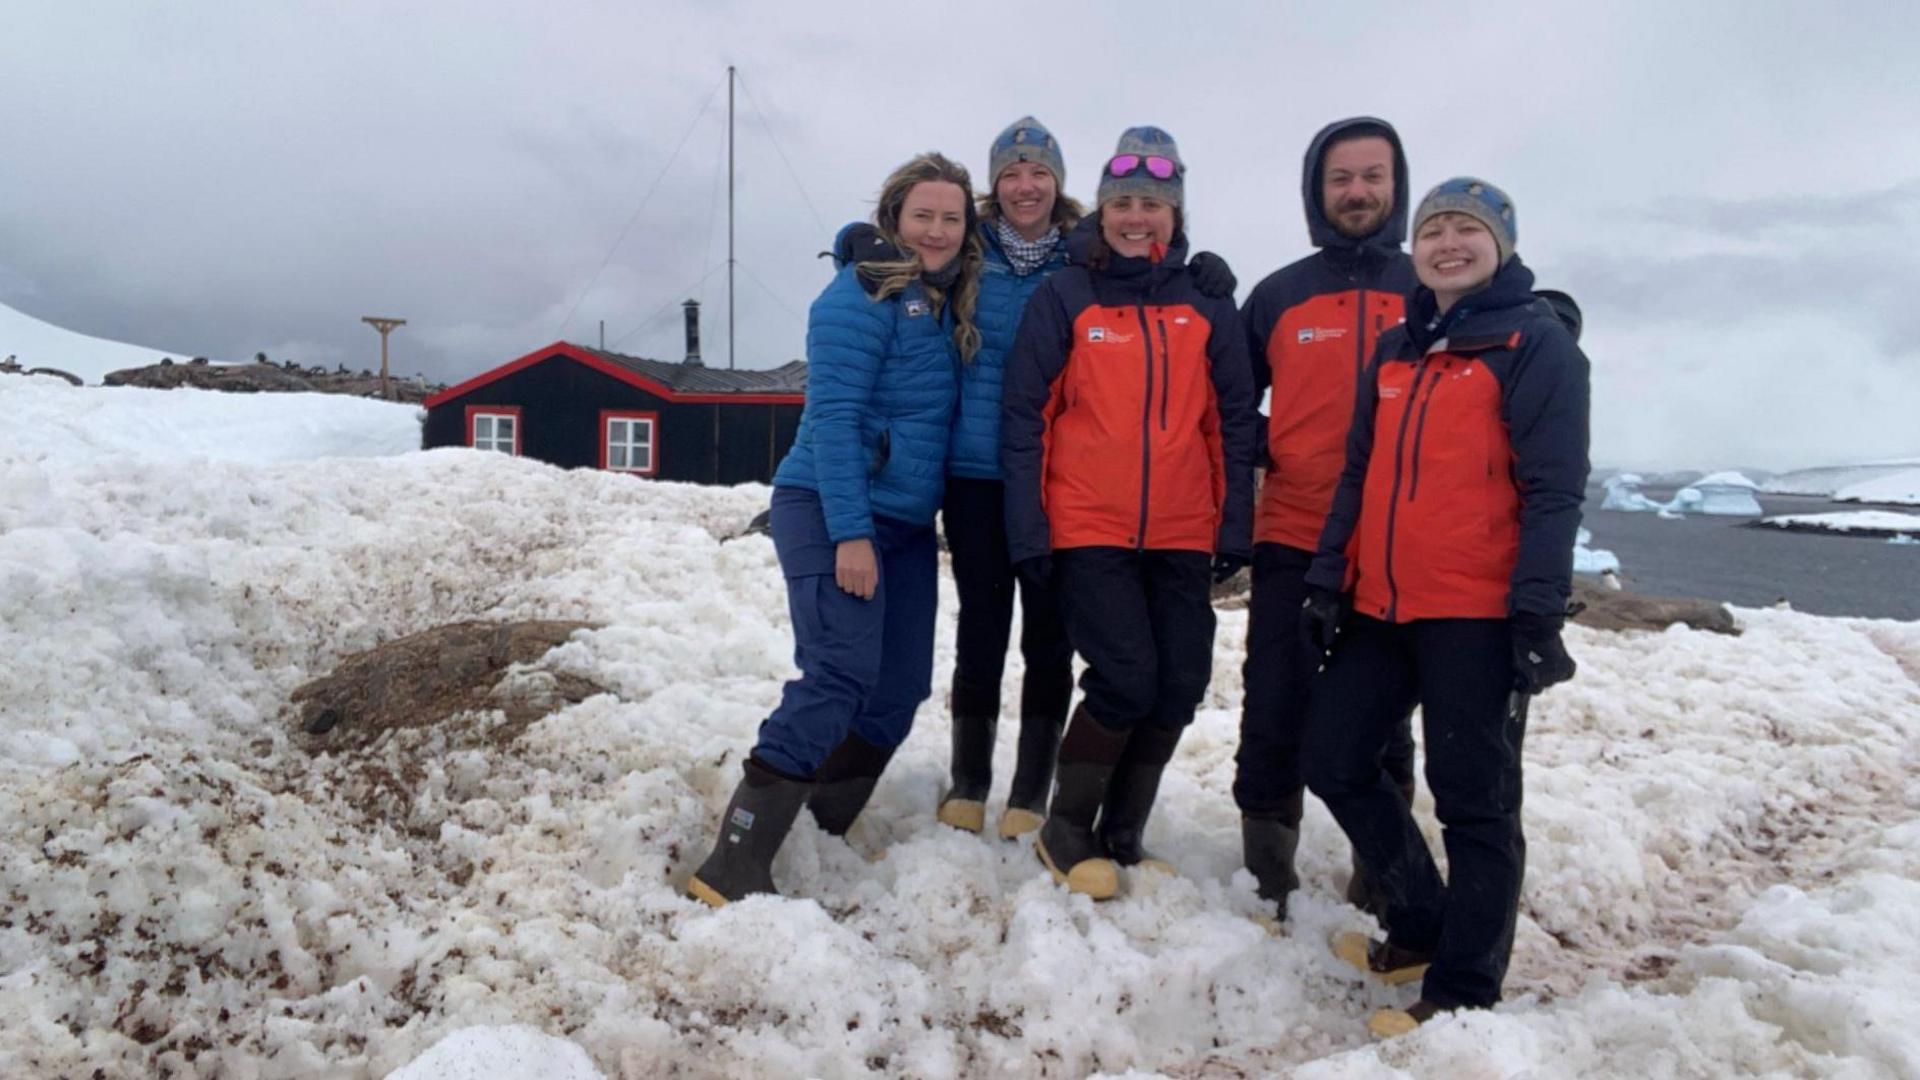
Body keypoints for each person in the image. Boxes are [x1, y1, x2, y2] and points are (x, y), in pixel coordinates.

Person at [1299, 178, 1590, 1034]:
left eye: (1468, 229)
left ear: (1501, 243)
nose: (1448, 243)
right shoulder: (1398, 348)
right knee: (1335, 757)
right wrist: (1326, 577)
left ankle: (1465, 989)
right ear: (1415, 248)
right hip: (1383, 607)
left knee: (1475, 798)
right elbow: (1360, 474)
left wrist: (1536, 613)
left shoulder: (1535, 345)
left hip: (1478, 611)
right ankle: (1421, 919)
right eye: (1434, 230)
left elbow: (1553, 491)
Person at [688, 152, 983, 906]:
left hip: (908, 525)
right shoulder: (857, 295)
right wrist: (850, 532)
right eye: (923, 215)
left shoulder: (945, 300)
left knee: (897, 690)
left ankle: (821, 828)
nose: (938, 231)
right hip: (831, 507)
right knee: (840, 674)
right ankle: (734, 861)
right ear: (894, 218)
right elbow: (837, 417)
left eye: (952, 218)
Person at [934, 118, 1239, 840]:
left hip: (1057, 482)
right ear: (994, 182)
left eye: (1039, 171)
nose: (1025, 184)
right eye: (1011, 171)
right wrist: (863, 245)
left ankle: (1032, 793)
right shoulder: (964, 254)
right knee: (983, 628)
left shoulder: (1080, 262)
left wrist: (1202, 271)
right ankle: (970, 778)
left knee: (1050, 637)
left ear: (1062, 184)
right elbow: (910, 251)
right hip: (976, 468)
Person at [1002, 126, 1259, 899]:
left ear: (1175, 214)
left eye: (1153, 202)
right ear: (1103, 212)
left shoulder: (1207, 301)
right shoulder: (1067, 293)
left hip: (1182, 528)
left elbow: (1234, 419)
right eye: (1123, 203)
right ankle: (1067, 825)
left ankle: (1123, 831)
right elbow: (1025, 416)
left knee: (1178, 682)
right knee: (1124, 677)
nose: (1136, 216)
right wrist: (1030, 528)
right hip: (1089, 527)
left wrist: (1234, 524)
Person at [1234, 117, 1421, 917]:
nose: (1357, 191)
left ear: (1395, 185)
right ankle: (1268, 869)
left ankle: (1381, 867)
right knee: (1274, 699)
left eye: (1372, 176)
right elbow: (1230, 402)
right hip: (1294, 534)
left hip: (1396, 544)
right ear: (1318, 192)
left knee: (1385, 716)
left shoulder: (1431, 288)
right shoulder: (1279, 294)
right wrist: (1282, 447)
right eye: (1341, 178)